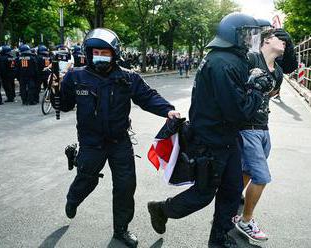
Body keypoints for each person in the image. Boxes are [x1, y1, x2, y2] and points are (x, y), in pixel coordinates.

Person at [146, 13, 274, 248]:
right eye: (247, 34)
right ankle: (162, 209)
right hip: (212, 140)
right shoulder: (223, 63)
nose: (250, 40)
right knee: (203, 194)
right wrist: (256, 91)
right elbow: (237, 112)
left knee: (233, 191)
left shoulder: (228, 58)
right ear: (232, 35)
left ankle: (218, 239)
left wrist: (253, 84)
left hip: (226, 137)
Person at [52, 28, 180, 248]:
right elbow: (64, 104)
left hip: (119, 141)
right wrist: (56, 93)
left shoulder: (127, 77)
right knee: (86, 179)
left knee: (125, 185)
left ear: (115, 53)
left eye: (105, 52)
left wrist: (168, 110)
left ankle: (121, 229)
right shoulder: (76, 76)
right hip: (91, 142)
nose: (100, 55)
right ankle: (73, 199)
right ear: (88, 53)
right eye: (96, 51)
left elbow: (148, 97)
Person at [234, 28, 286, 242]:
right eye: (279, 38)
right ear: (266, 41)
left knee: (247, 170)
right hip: (247, 128)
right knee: (261, 177)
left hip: (264, 128)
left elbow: (273, 92)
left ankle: (229, 201)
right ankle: (245, 220)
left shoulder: (279, 71)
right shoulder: (251, 59)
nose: (284, 42)